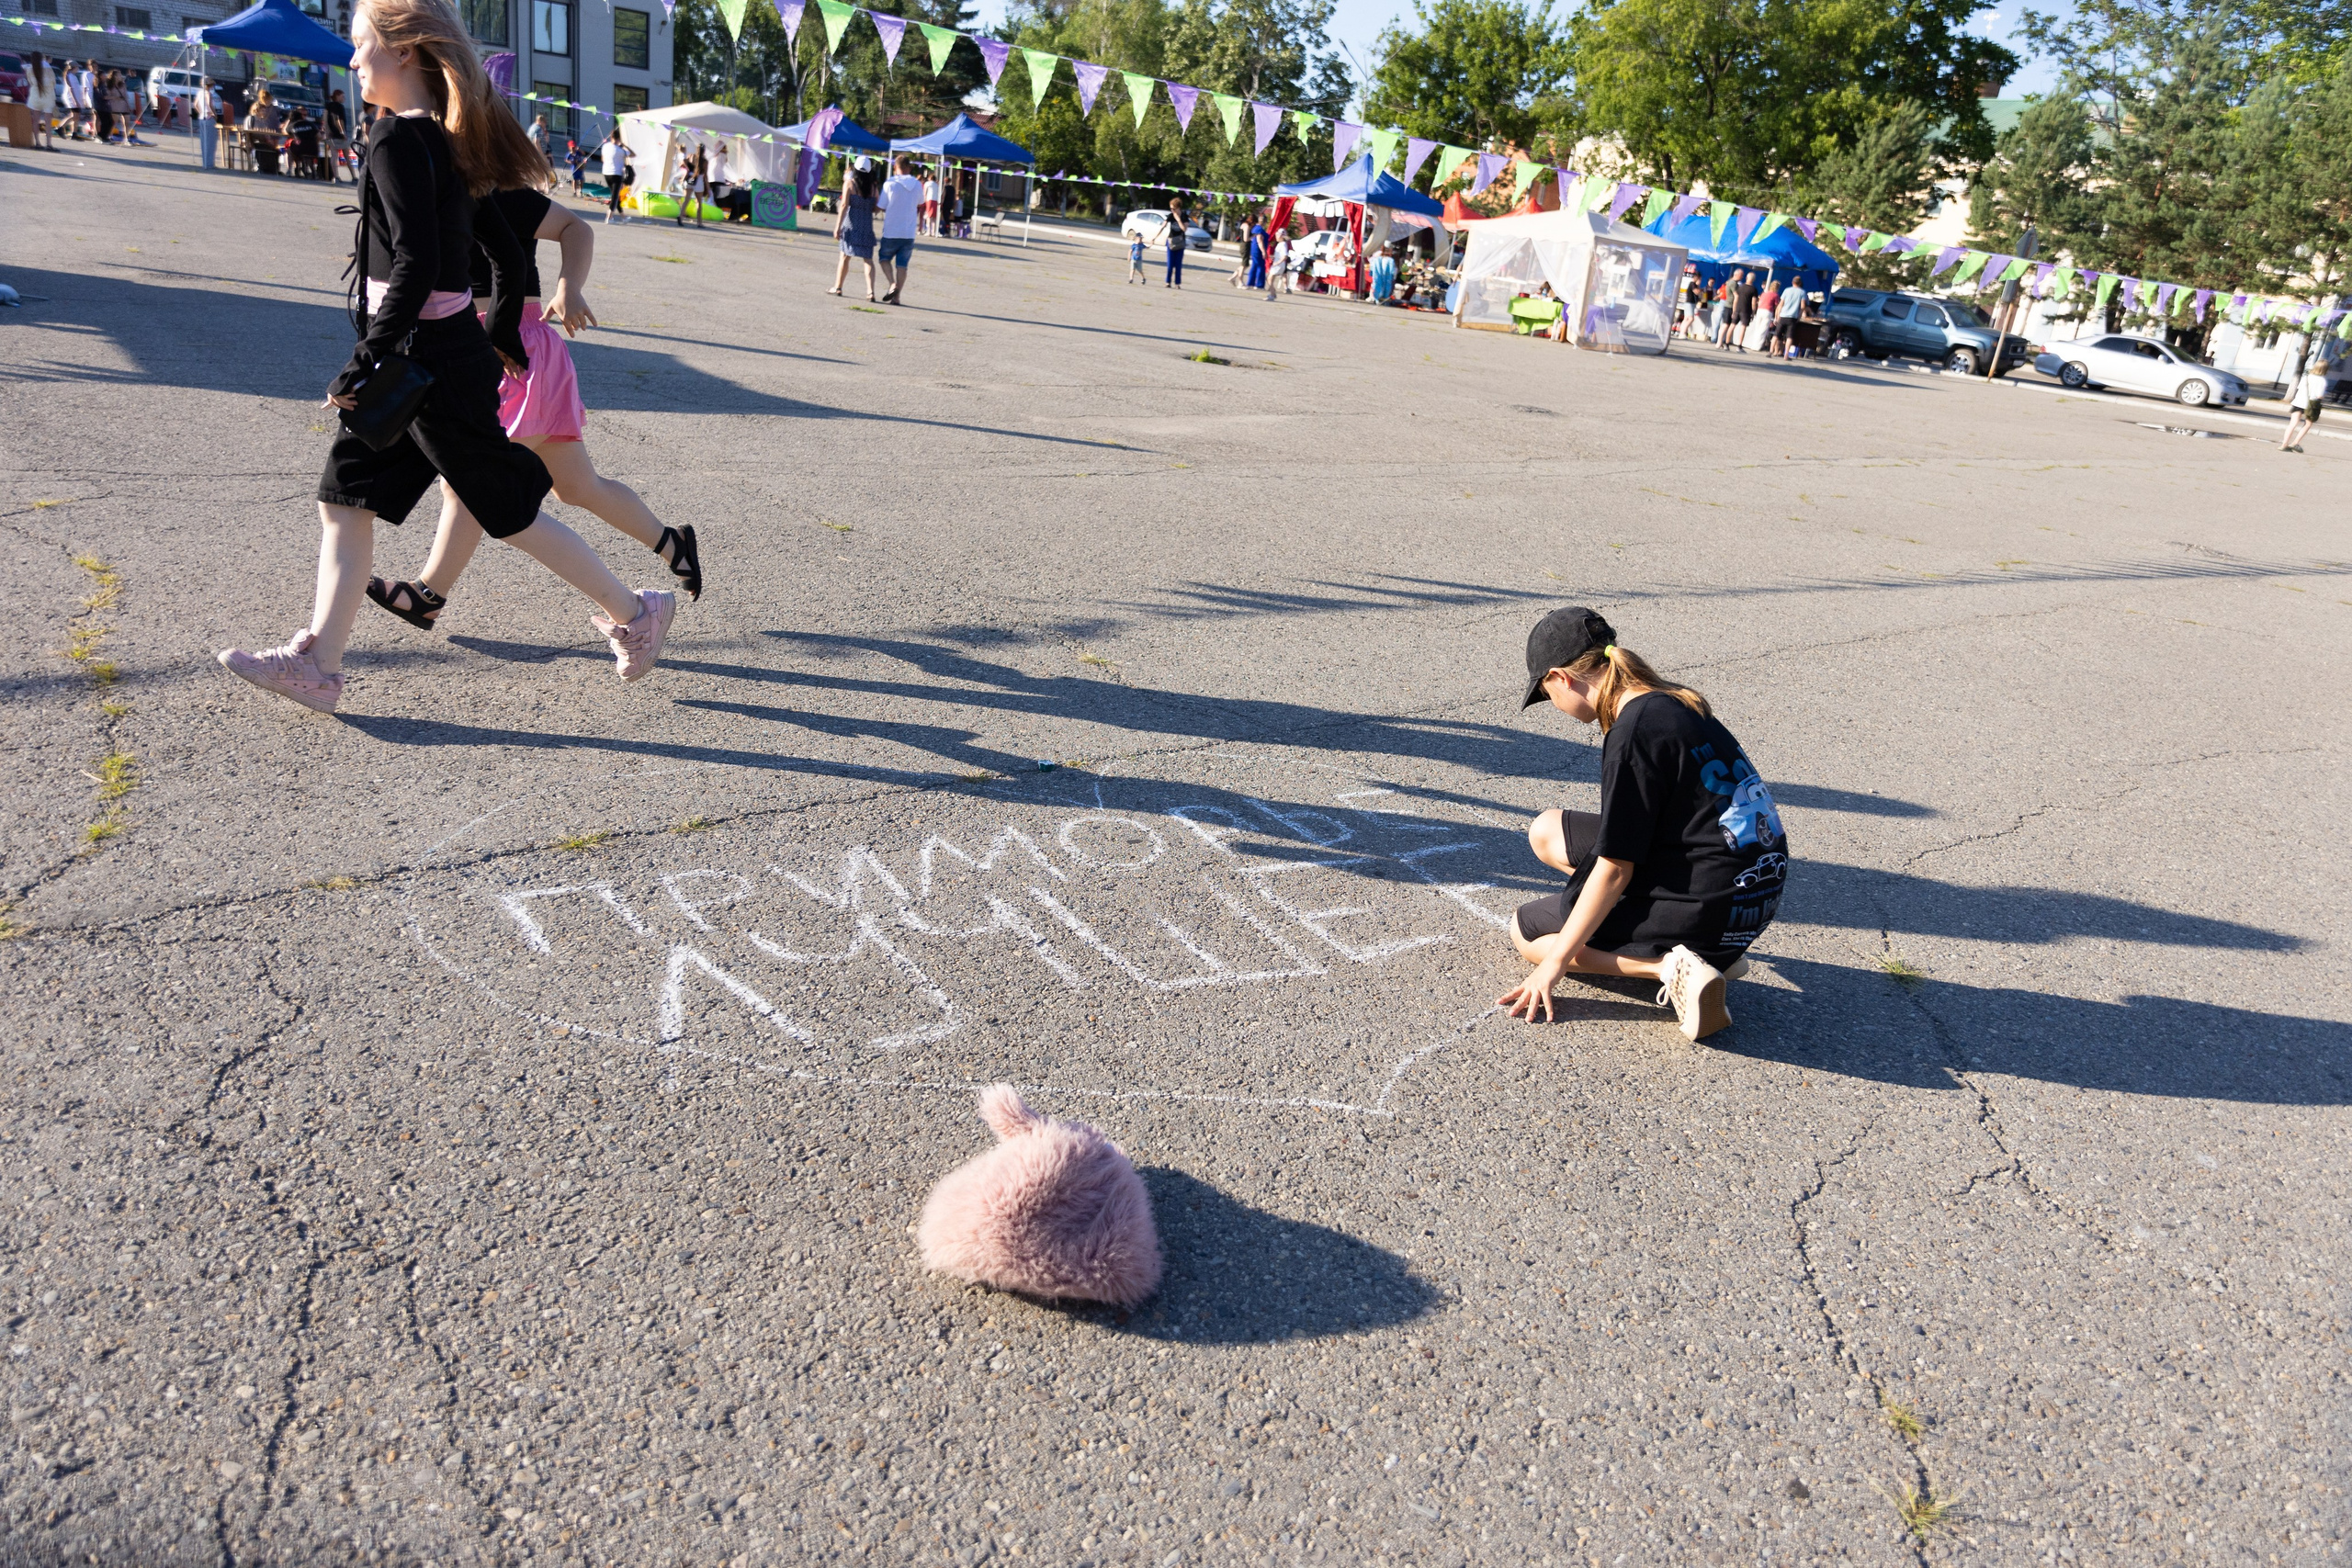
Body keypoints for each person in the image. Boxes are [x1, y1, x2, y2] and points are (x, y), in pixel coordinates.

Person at [216, 0, 674, 713]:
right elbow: (497, 248)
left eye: (362, 44)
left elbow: (420, 261)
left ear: (404, 52)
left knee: (508, 512)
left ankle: (639, 614)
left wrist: (371, 355)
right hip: (434, 352)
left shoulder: (400, 141)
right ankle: (320, 664)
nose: (353, 58)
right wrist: (495, 336)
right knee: (346, 499)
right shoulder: (441, 142)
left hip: (423, 359)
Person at [368, 130, 703, 630]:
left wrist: (569, 287)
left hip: (515, 352)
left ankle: (429, 593)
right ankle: (671, 543)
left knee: (474, 483)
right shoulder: (435, 192)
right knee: (576, 486)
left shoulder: (496, 193)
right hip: (478, 351)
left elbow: (576, 228)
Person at [1498, 606, 1787, 1043]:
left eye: (1546, 693)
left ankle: (1672, 966)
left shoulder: (1632, 733)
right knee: (1546, 830)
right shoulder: (1673, 701)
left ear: (1561, 677)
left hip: (1712, 900)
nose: (1553, 706)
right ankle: (1715, 952)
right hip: (1754, 892)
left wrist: (1553, 965)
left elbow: (1616, 868)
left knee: (1527, 932)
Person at [829, 156, 882, 300]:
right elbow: (877, 208)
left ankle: (838, 287)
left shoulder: (850, 184)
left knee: (845, 257)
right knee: (868, 260)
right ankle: (871, 292)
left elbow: (845, 206)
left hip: (850, 225)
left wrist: (837, 227)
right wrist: (868, 208)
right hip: (866, 226)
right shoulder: (873, 187)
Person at [877, 152, 922, 306]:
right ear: (909, 167)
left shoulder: (890, 183)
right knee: (902, 266)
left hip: (891, 229)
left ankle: (892, 284)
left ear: (895, 167)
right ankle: (897, 297)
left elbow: (881, 206)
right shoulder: (917, 184)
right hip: (908, 231)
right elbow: (920, 202)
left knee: (884, 259)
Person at [2281, 350, 2332, 453]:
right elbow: (2320, 396)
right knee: (2308, 424)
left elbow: (2299, 388)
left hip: (2298, 402)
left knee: (2292, 424)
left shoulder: (2306, 377)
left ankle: (2284, 444)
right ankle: (2295, 443)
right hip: (2310, 405)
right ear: (2325, 369)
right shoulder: (2322, 381)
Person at [599, 125, 631, 221]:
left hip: (606, 173)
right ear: (619, 139)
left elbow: (603, 159)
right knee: (615, 196)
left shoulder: (605, 146)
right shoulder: (621, 150)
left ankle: (623, 216)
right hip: (616, 174)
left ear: (611, 137)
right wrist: (624, 146)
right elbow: (633, 154)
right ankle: (609, 217)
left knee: (614, 195)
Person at [27, 55, 55, 151]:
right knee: (48, 121)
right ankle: (49, 144)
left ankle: (37, 143)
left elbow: (30, 81)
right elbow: (53, 81)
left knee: (35, 120)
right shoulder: (48, 67)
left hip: (35, 95)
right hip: (47, 95)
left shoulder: (30, 68)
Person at [1770, 275, 1804, 356]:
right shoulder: (1802, 292)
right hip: (1793, 317)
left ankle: (1771, 351)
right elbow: (1802, 307)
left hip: (1783, 315)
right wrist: (1799, 317)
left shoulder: (1787, 290)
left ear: (1792, 282)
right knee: (1789, 336)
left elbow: (1781, 304)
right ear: (1800, 283)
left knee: (1776, 335)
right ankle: (1786, 354)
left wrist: (1777, 315)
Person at [1162, 195, 1188, 288]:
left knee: (1178, 265)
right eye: (1171, 209)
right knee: (1170, 264)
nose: (1172, 210)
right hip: (1171, 242)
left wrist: (1178, 219)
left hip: (1180, 243)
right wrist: (1155, 237)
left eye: (1173, 209)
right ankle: (1168, 282)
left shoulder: (1184, 216)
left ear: (1178, 208)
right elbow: (1163, 225)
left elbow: (1184, 229)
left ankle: (1177, 284)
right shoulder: (1170, 216)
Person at [1245, 214, 1268, 291]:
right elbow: (1260, 240)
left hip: (1254, 249)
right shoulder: (1259, 229)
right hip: (1258, 250)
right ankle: (1259, 285)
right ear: (1264, 222)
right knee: (1261, 267)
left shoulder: (1255, 228)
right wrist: (1264, 251)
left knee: (1254, 266)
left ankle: (1250, 283)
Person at [1263, 231, 1287, 300]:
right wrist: (1273, 257)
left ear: (1282, 236)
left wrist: (1278, 262)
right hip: (1276, 264)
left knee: (1269, 279)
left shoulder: (1283, 244)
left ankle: (1273, 294)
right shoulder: (1280, 244)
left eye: (1277, 235)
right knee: (1270, 279)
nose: (1276, 236)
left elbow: (1285, 256)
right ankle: (1272, 294)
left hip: (1278, 265)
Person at [921, 170, 940, 235]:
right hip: (936, 201)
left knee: (929, 217)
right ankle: (933, 231)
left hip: (929, 200)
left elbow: (925, 193)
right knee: (934, 217)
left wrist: (924, 200)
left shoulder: (927, 184)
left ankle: (928, 231)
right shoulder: (937, 185)